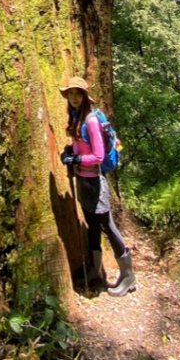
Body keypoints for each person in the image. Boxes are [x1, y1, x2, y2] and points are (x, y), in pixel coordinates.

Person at [59, 75, 136, 296]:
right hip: (83, 181)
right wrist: (70, 153)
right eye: (70, 94)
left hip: (95, 181)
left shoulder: (91, 120)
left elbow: (99, 156)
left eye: (77, 94)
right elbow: (80, 147)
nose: (74, 98)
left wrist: (78, 160)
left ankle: (128, 276)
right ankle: (95, 271)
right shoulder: (75, 119)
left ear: (84, 96)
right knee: (92, 226)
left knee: (107, 226)